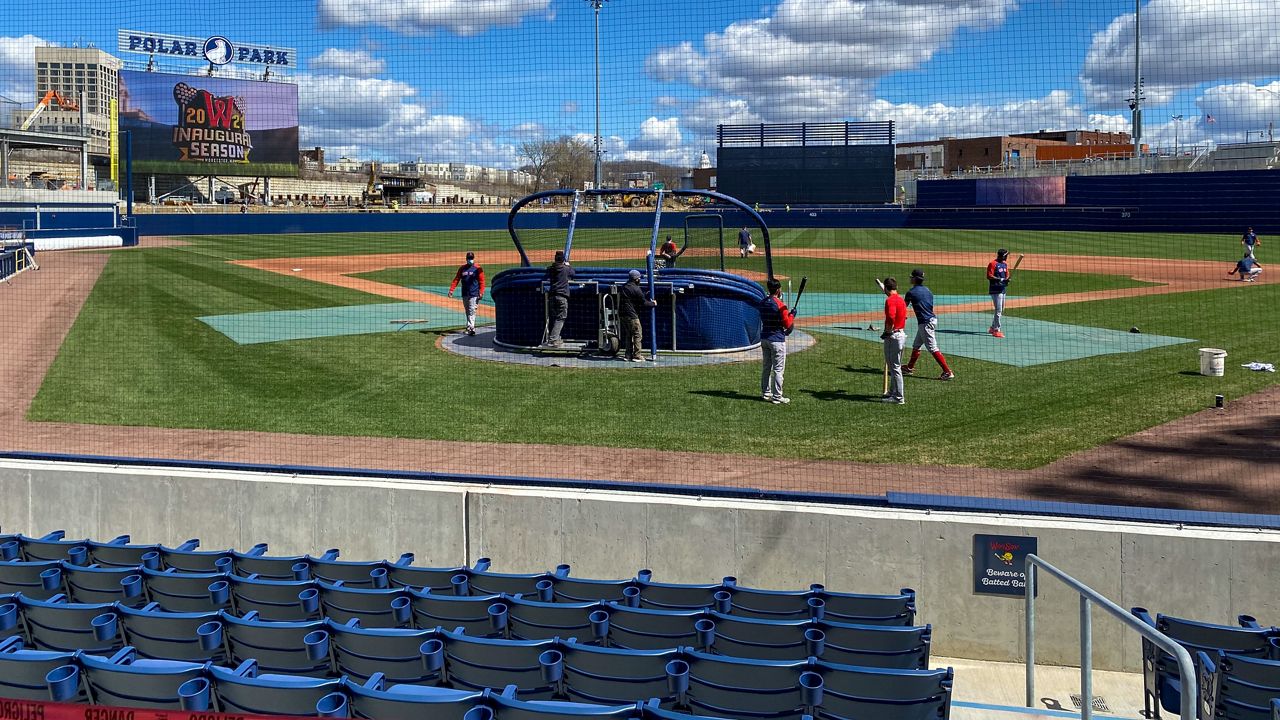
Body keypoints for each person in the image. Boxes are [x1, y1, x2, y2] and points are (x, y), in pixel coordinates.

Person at [902, 269, 955, 381]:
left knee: (932, 348)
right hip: (930, 320)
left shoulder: (911, 292)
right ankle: (909, 367)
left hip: (925, 323)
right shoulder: (928, 291)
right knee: (916, 345)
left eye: (911, 277)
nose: (910, 278)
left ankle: (947, 371)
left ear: (915, 279)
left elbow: (902, 308)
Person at [758, 278, 795, 404]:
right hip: (777, 340)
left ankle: (765, 393)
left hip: (764, 339)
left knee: (766, 367)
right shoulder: (780, 305)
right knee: (778, 370)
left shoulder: (762, 302)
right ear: (778, 290)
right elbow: (787, 324)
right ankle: (777, 397)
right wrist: (792, 315)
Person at [618, 269, 658, 361]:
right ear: (636, 279)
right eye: (639, 278)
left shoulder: (624, 286)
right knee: (637, 334)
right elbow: (644, 303)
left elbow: (635, 297)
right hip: (631, 315)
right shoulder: (636, 289)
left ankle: (627, 355)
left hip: (622, 314)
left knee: (628, 335)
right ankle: (637, 355)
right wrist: (653, 304)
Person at [881, 277, 907, 405]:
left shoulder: (890, 300)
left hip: (894, 336)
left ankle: (899, 397)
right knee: (894, 366)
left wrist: (887, 331)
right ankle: (892, 392)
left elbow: (891, 316)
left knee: (895, 367)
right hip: (901, 334)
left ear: (886, 288)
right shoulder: (901, 300)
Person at [447, 251, 486, 335]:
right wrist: (451, 290)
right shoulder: (462, 268)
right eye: (469, 258)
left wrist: (481, 292)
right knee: (467, 311)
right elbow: (456, 279)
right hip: (465, 293)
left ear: (473, 258)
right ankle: (469, 327)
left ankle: (472, 328)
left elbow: (482, 281)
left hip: (474, 293)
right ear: (466, 259)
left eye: (471, 258)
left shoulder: (478, 268)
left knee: (472, 310)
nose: (470, 260)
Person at [543, 250, 575, 347]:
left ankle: (556, 337)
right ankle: (553, 339)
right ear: (563, 260)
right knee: (561, 318)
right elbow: (573, 273)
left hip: (552, 297)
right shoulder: (566, 269)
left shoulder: (551, 269)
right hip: (562, 297)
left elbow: (547, 272)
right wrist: (568, 265)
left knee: (555, 317)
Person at [986, 248, 1011, 338]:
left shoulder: (1005, 264)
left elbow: (1007, 274)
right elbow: (989, 275)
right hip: (995, 290)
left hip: (1003, 289)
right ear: (1002, 256)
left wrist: (1007, 279)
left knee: (1001, 310)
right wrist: (999, 279)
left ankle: (992, 327)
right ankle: (997, 330)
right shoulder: (993, 264)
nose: (1007, 257)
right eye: (1006, 255)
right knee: (998, 310)